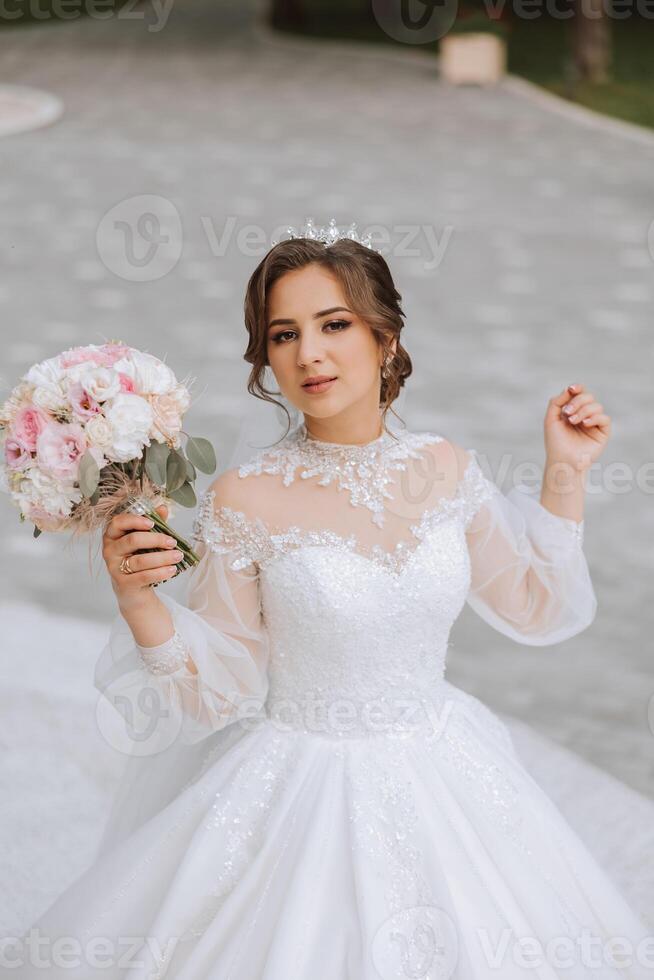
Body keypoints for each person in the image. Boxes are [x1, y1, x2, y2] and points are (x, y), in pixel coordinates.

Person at [15, 223, 653, 978]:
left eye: (335, 324)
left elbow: (534, 605)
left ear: (386, 339)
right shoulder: (246, 496)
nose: (309, 352)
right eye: (283, 334)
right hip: (298, 787)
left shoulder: (445, 467)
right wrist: (139, 601)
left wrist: (567, 472)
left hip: (445, 769)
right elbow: (221, 690)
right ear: (266, 360)